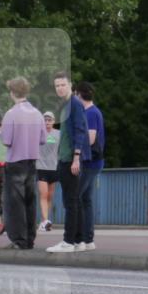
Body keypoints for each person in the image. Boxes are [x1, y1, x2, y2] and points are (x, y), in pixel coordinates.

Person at [0, 77, 46, 250]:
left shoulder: (11, 114)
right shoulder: (37, 113)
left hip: (15, 162)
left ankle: (19, 240)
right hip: (32, 162)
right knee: (30, 201)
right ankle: (30, 239)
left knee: (15, 203)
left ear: (12, 93)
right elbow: (42, 140)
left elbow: (6, 141)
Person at [47, 72, 90, 254]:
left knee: (70, 201)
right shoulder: (66, 105)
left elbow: (80, 130)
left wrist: (76, 158)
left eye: (63, 85)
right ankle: (80, 240)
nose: (60, 88)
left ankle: (68, 241)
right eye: (57, 85)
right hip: (65, 158)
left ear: (70, 85)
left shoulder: (74, 104)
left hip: (70, 160)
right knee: (75, 200)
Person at [74, 81, 105, 251]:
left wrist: (75, 145)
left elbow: (91, 138)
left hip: (89, 162)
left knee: (77, 197)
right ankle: (88, 239)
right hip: (93, 162)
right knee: (86, 200)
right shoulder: (92, 112)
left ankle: (80, 239)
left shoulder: (91, 113)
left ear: (79, 95)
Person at [36, 111, 60, 232]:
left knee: (50, 196)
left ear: (54, 121)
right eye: (45, 120)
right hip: (41, 168)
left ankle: (43, 221)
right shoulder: (37, 133)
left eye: (49, 120)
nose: (47, 122)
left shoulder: (59, 134)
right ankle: (46, 221)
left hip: (54, 168)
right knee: (43, 195)